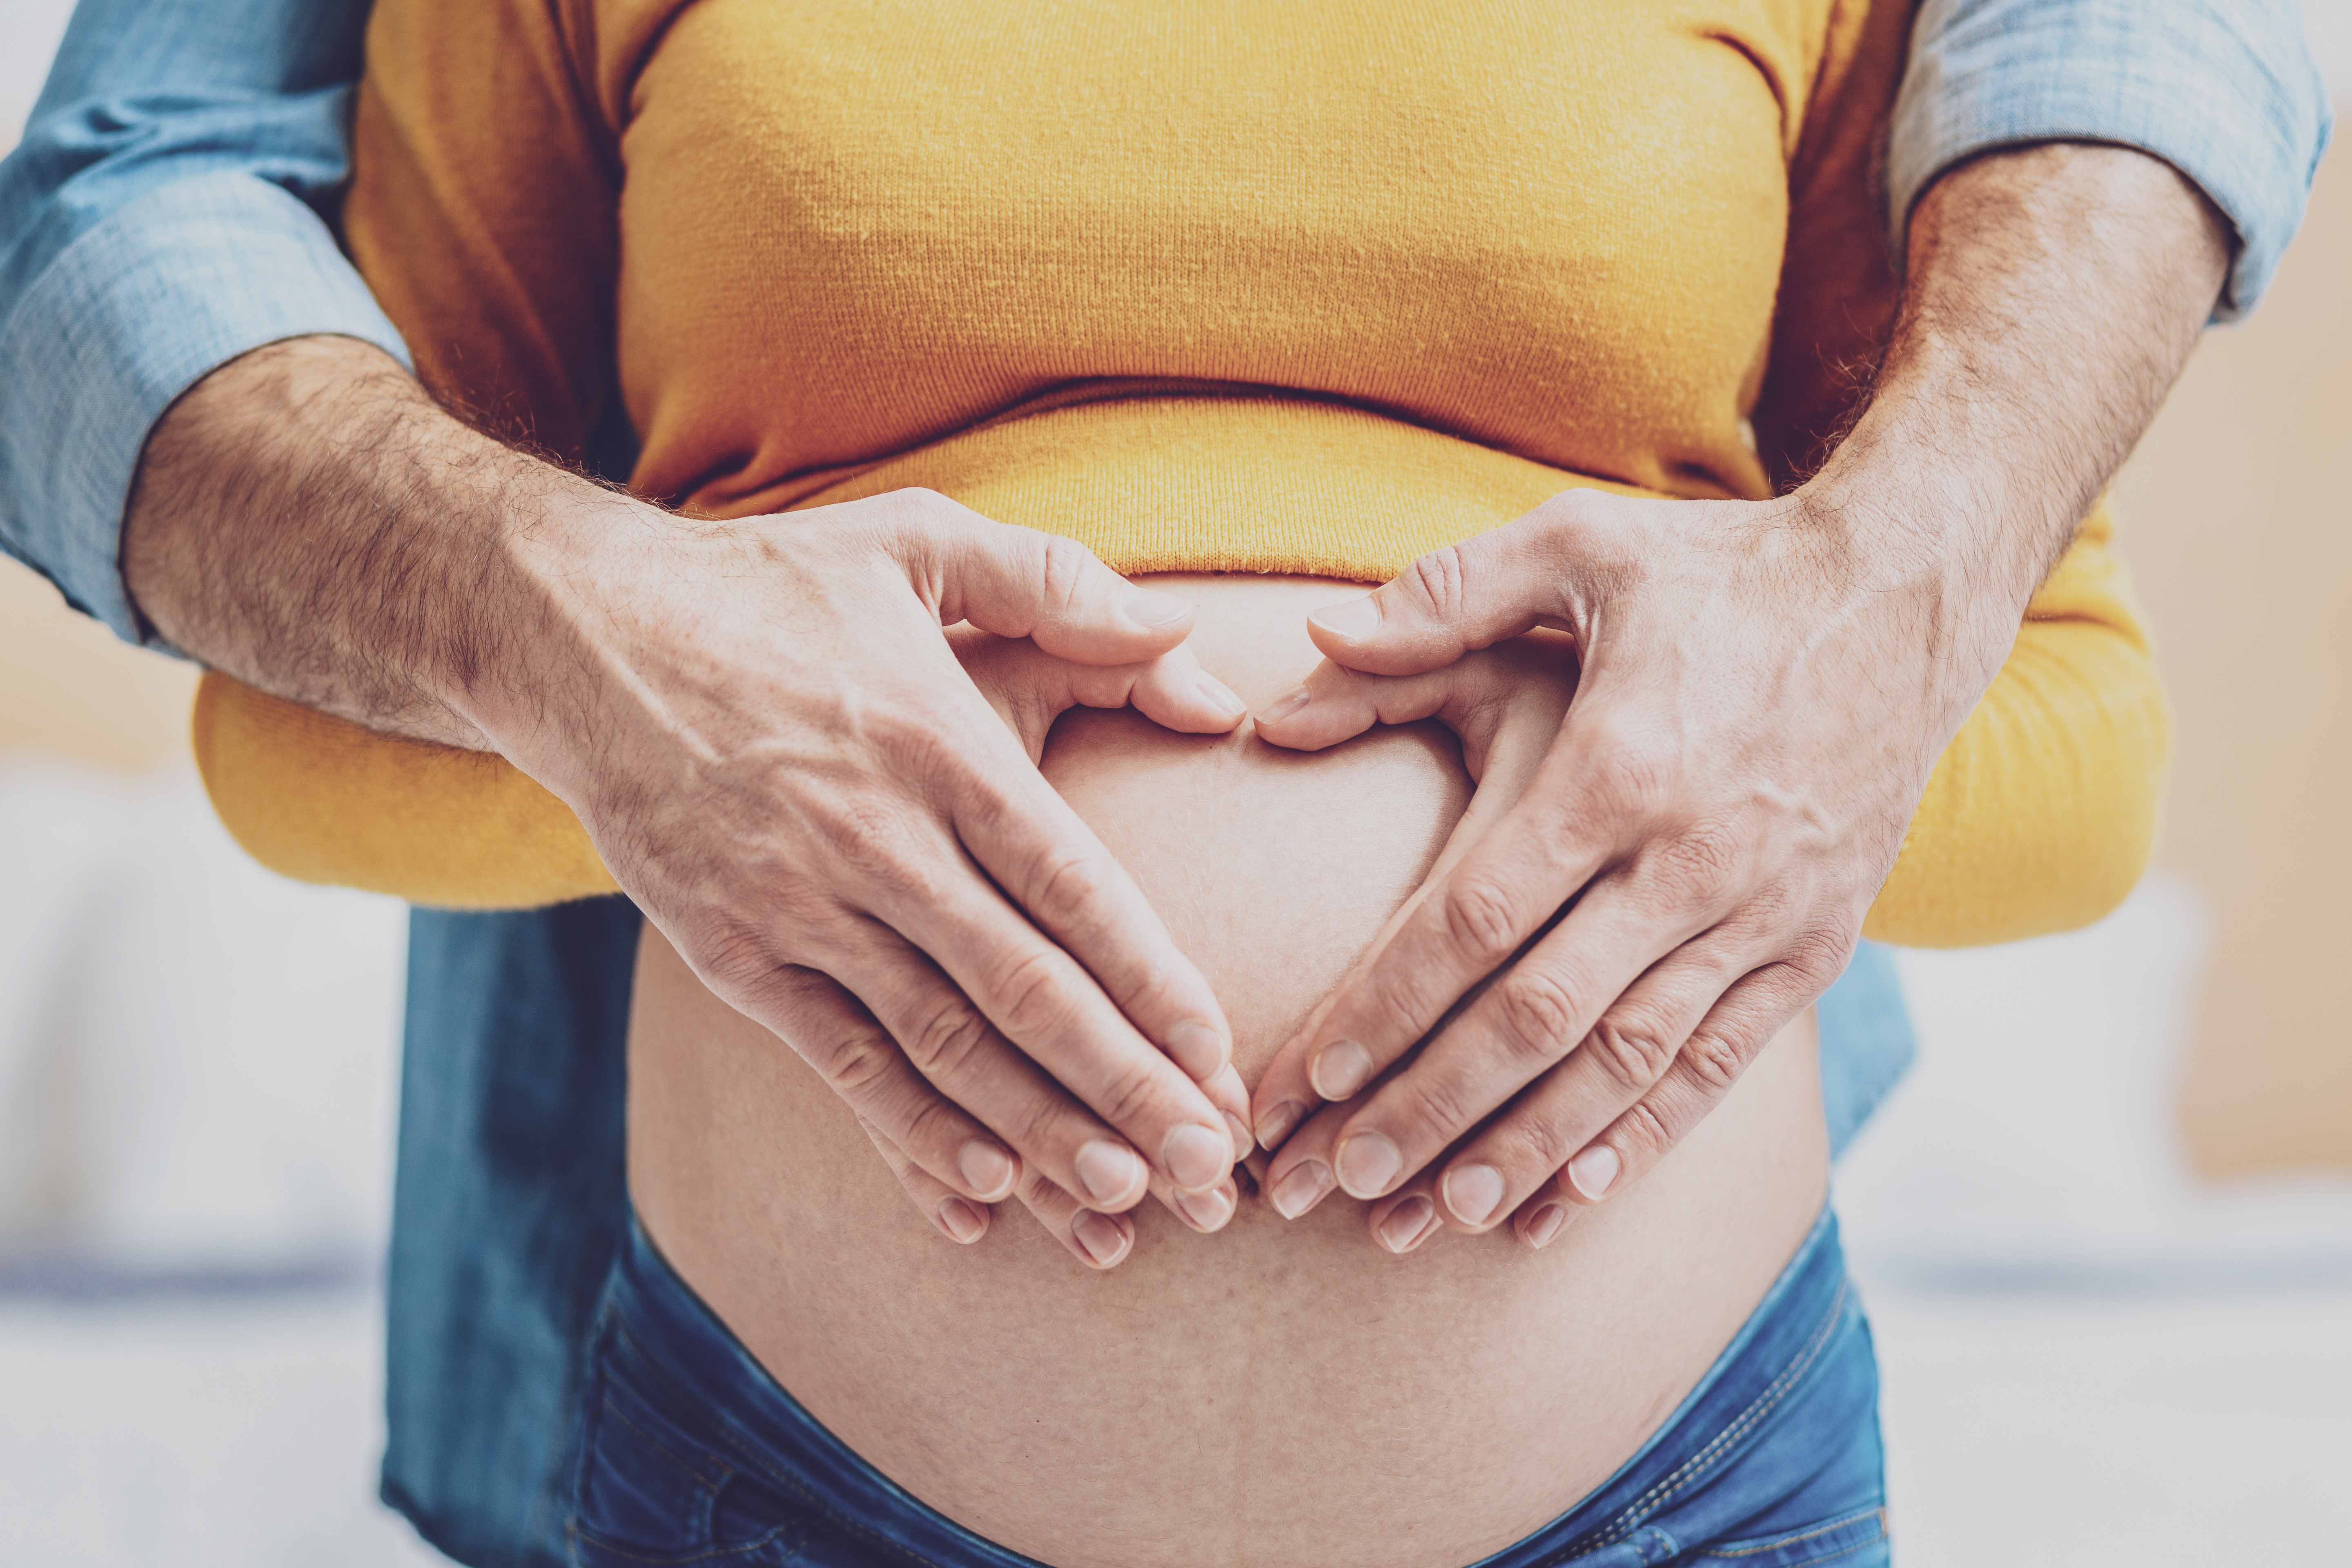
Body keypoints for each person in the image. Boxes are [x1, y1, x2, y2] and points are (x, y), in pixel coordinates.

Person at [0, 0, 2328, 1563]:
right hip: (789, 1475)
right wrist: (622, 696)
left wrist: (1784, 742)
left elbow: (2032, 715)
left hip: (1670, 1483)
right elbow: (318, 672)